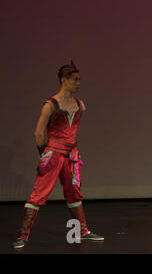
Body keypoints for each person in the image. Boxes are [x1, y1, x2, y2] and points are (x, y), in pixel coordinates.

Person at [12, 61, 103, 249]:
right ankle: (22, 236)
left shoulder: (80, 105)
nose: (79, 83)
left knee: (74, 193)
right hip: (54, 154)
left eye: (79, 79)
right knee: (39, 194)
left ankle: (82, 231)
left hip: (71, 156)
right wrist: (44, 154)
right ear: (64, 80)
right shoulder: (50, 105)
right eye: (75, 79)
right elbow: (38, 133)